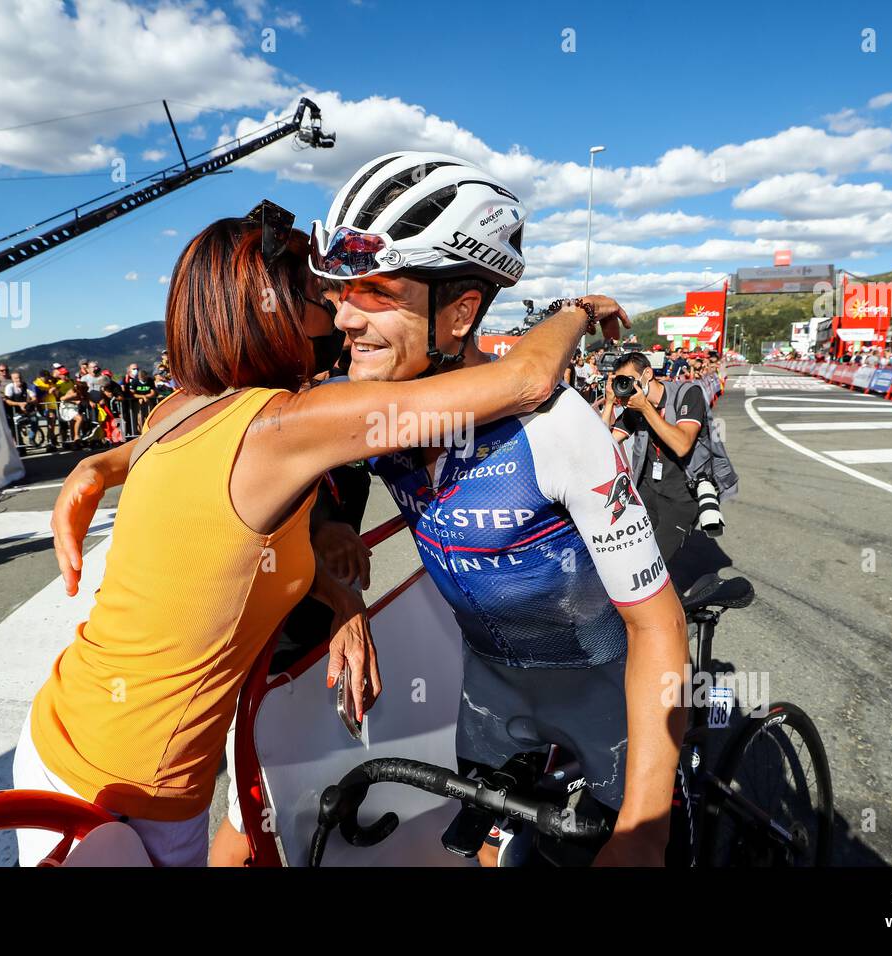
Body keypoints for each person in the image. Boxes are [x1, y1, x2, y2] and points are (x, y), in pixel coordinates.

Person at [50, 154, 682, 869]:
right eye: (340, 291)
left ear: (462, 311)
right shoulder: (365, 412)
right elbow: (217, 441)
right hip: (489, 703)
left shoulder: (559, 425)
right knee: (481, 854)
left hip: (602, 696)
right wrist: (104, 459)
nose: (341, 316)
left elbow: (657, 622)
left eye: (374, 291)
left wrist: (648, 826)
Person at [601, 351, 706, 593]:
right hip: (647, 491)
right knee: (629, 556)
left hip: (681, 496)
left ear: (647, 374)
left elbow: (682, 445)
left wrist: (645, 408)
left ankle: (675, 617)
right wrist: (608, 403)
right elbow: (603, 443)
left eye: (627, 380)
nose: (624, 387)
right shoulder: (634, 404)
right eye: (619, 381)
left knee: (652, 566)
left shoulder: (687, 393)